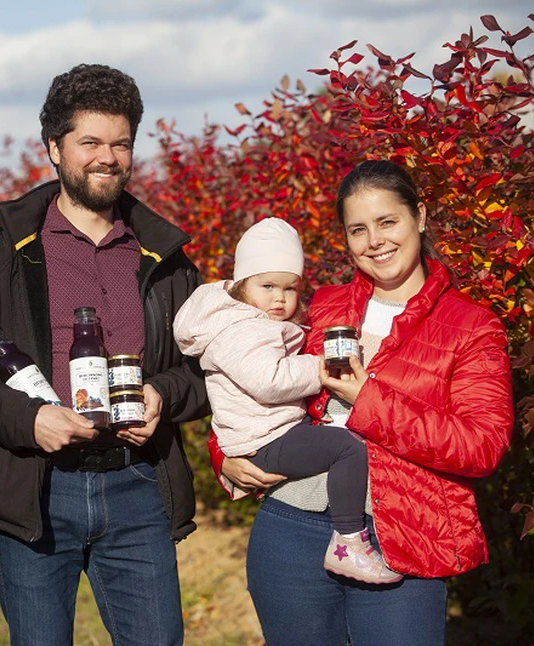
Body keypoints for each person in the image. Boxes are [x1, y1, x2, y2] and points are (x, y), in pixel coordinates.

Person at [0, 63, 207, 645]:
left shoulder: (164, 257)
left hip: (138, 486)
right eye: (90, 142)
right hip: (37, 489)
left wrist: (164, 395)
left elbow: (207, 366)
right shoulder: (4, 251)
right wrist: (30, 419)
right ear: (54, 149)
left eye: (120, 143)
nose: (106, 157)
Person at [209, 160, 513, 644]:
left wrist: (366, 398)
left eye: (387, 222)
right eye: (358, 229)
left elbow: (480, 446)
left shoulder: (471, 326)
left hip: (402, 534)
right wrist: (224, 454)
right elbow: (247, 375)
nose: (375, 241)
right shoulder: (323, 305)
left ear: (421, 216)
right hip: (291, 524)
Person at [173, 217, 400, 586]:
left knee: (340, 447)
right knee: (347, 449)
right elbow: (269, 380)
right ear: (242, 285)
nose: (280, 298)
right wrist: (319, 366)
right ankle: (349, 541)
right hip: (263, 440)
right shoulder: (241, 330)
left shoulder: (249, 320)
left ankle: (347, 539)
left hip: (264, 434)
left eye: (290, 288)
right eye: (268, 286)